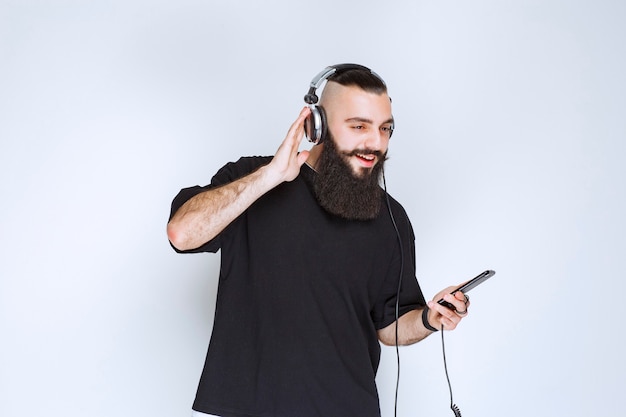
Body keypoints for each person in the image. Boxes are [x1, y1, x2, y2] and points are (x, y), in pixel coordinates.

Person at [167, 64, 471, 417]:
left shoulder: (392, 218)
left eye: (385, 129)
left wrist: (430, 320)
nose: (374, 143)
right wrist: (269, 177)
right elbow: (182, 233)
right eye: (358, 126)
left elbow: (388, 328)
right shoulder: (250, 181)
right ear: (316, 125)